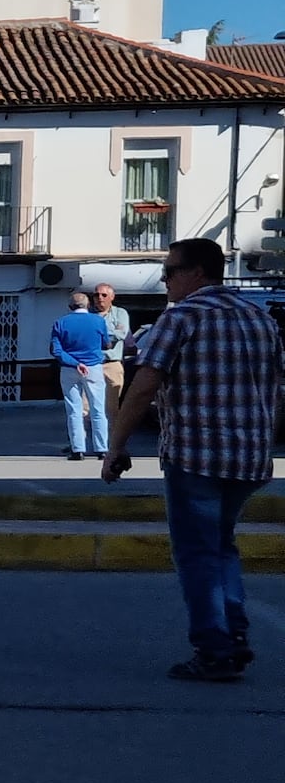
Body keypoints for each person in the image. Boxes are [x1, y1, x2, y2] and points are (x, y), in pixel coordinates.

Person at [107, 236, 277, 682]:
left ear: (197, 273)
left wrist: (116, 447)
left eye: (170, 272)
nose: (165, 281)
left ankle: (215, 648)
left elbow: (143, 385)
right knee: (221, 545)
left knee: (197, 554)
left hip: (195, 456)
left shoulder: (180, 318)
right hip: (250, 460)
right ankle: (233, 635)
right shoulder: (260, 318)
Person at [51, 282, 123, 460]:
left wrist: (75, 362)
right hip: (93, 367)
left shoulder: (60, 323)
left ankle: (77, 449)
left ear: (70, 307)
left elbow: (56, 350)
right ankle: (101, 449)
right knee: (98, 408)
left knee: (74, 409)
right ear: (87, 305)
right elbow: (105, 342)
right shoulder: (98, 321)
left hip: (69, 369)